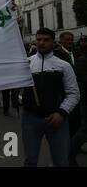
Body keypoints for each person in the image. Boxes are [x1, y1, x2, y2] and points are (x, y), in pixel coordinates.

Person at [22, 28, 80, 167]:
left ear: (53, 42)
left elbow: (74, 93)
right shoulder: (26, 64)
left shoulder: (64, 66)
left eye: (46, 40)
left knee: (61, 161)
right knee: (30, 161)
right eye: (39, 39)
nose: (42, 43)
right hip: (30, 120)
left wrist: (62, 113)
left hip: (57, 121)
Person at [54, 32, 81, 137]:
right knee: (69, 118)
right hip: (65, 91)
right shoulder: (57, 54)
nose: (70, 42)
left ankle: (74, 142)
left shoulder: (77, 52)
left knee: (77, 119)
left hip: (78, 90)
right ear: (61, 41)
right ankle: (67, 144)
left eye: (71, 39)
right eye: (67, 40)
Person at [70, 35, 87, 166]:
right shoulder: (82, 59)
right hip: (85, 100)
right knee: (84, 130)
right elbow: (81, 82)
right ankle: (70, 153)